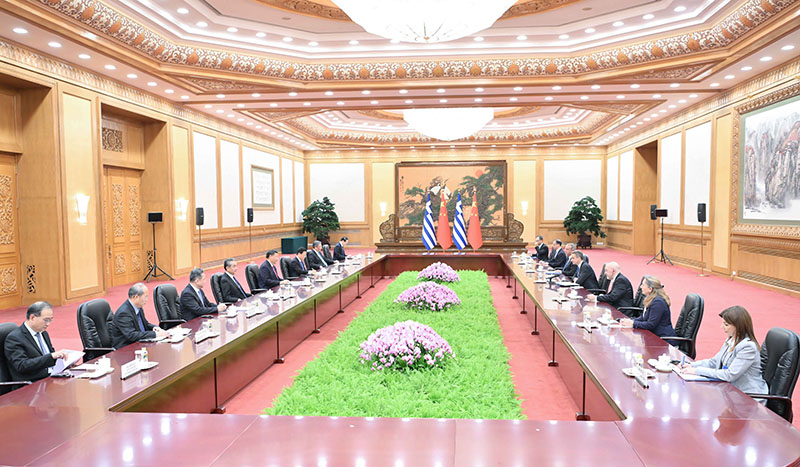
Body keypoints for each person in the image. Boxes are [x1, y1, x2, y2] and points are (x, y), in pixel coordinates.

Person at [681, 306, 768, 395]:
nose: (722, 327)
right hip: (730, 390)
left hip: (748, 395)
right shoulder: (731, 340)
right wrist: (691, 365)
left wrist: (697, 371)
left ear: (738, 326)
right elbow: (713, 362)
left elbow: (730, 375)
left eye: (726, 324)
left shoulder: (748, 347)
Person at [3, 301, 68, 382]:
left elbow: (51, 356)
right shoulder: (14, 338)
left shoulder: (43, 333)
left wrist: (64, 361)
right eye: (46, 320)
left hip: (50, 377)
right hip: (31, 383)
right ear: (32, 317)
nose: (48, 324)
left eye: (50, 320)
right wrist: (51, 357)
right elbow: (21, 365)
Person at [110, 283, 168, 349]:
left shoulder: (138, 307)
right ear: (136, 297)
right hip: (126, 348)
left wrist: (154, 328)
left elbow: (145, 324)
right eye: (145, 297)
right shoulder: (123, 313)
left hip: (139, 342)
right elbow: (131, 335)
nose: (147, 299)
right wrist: (155, 334)